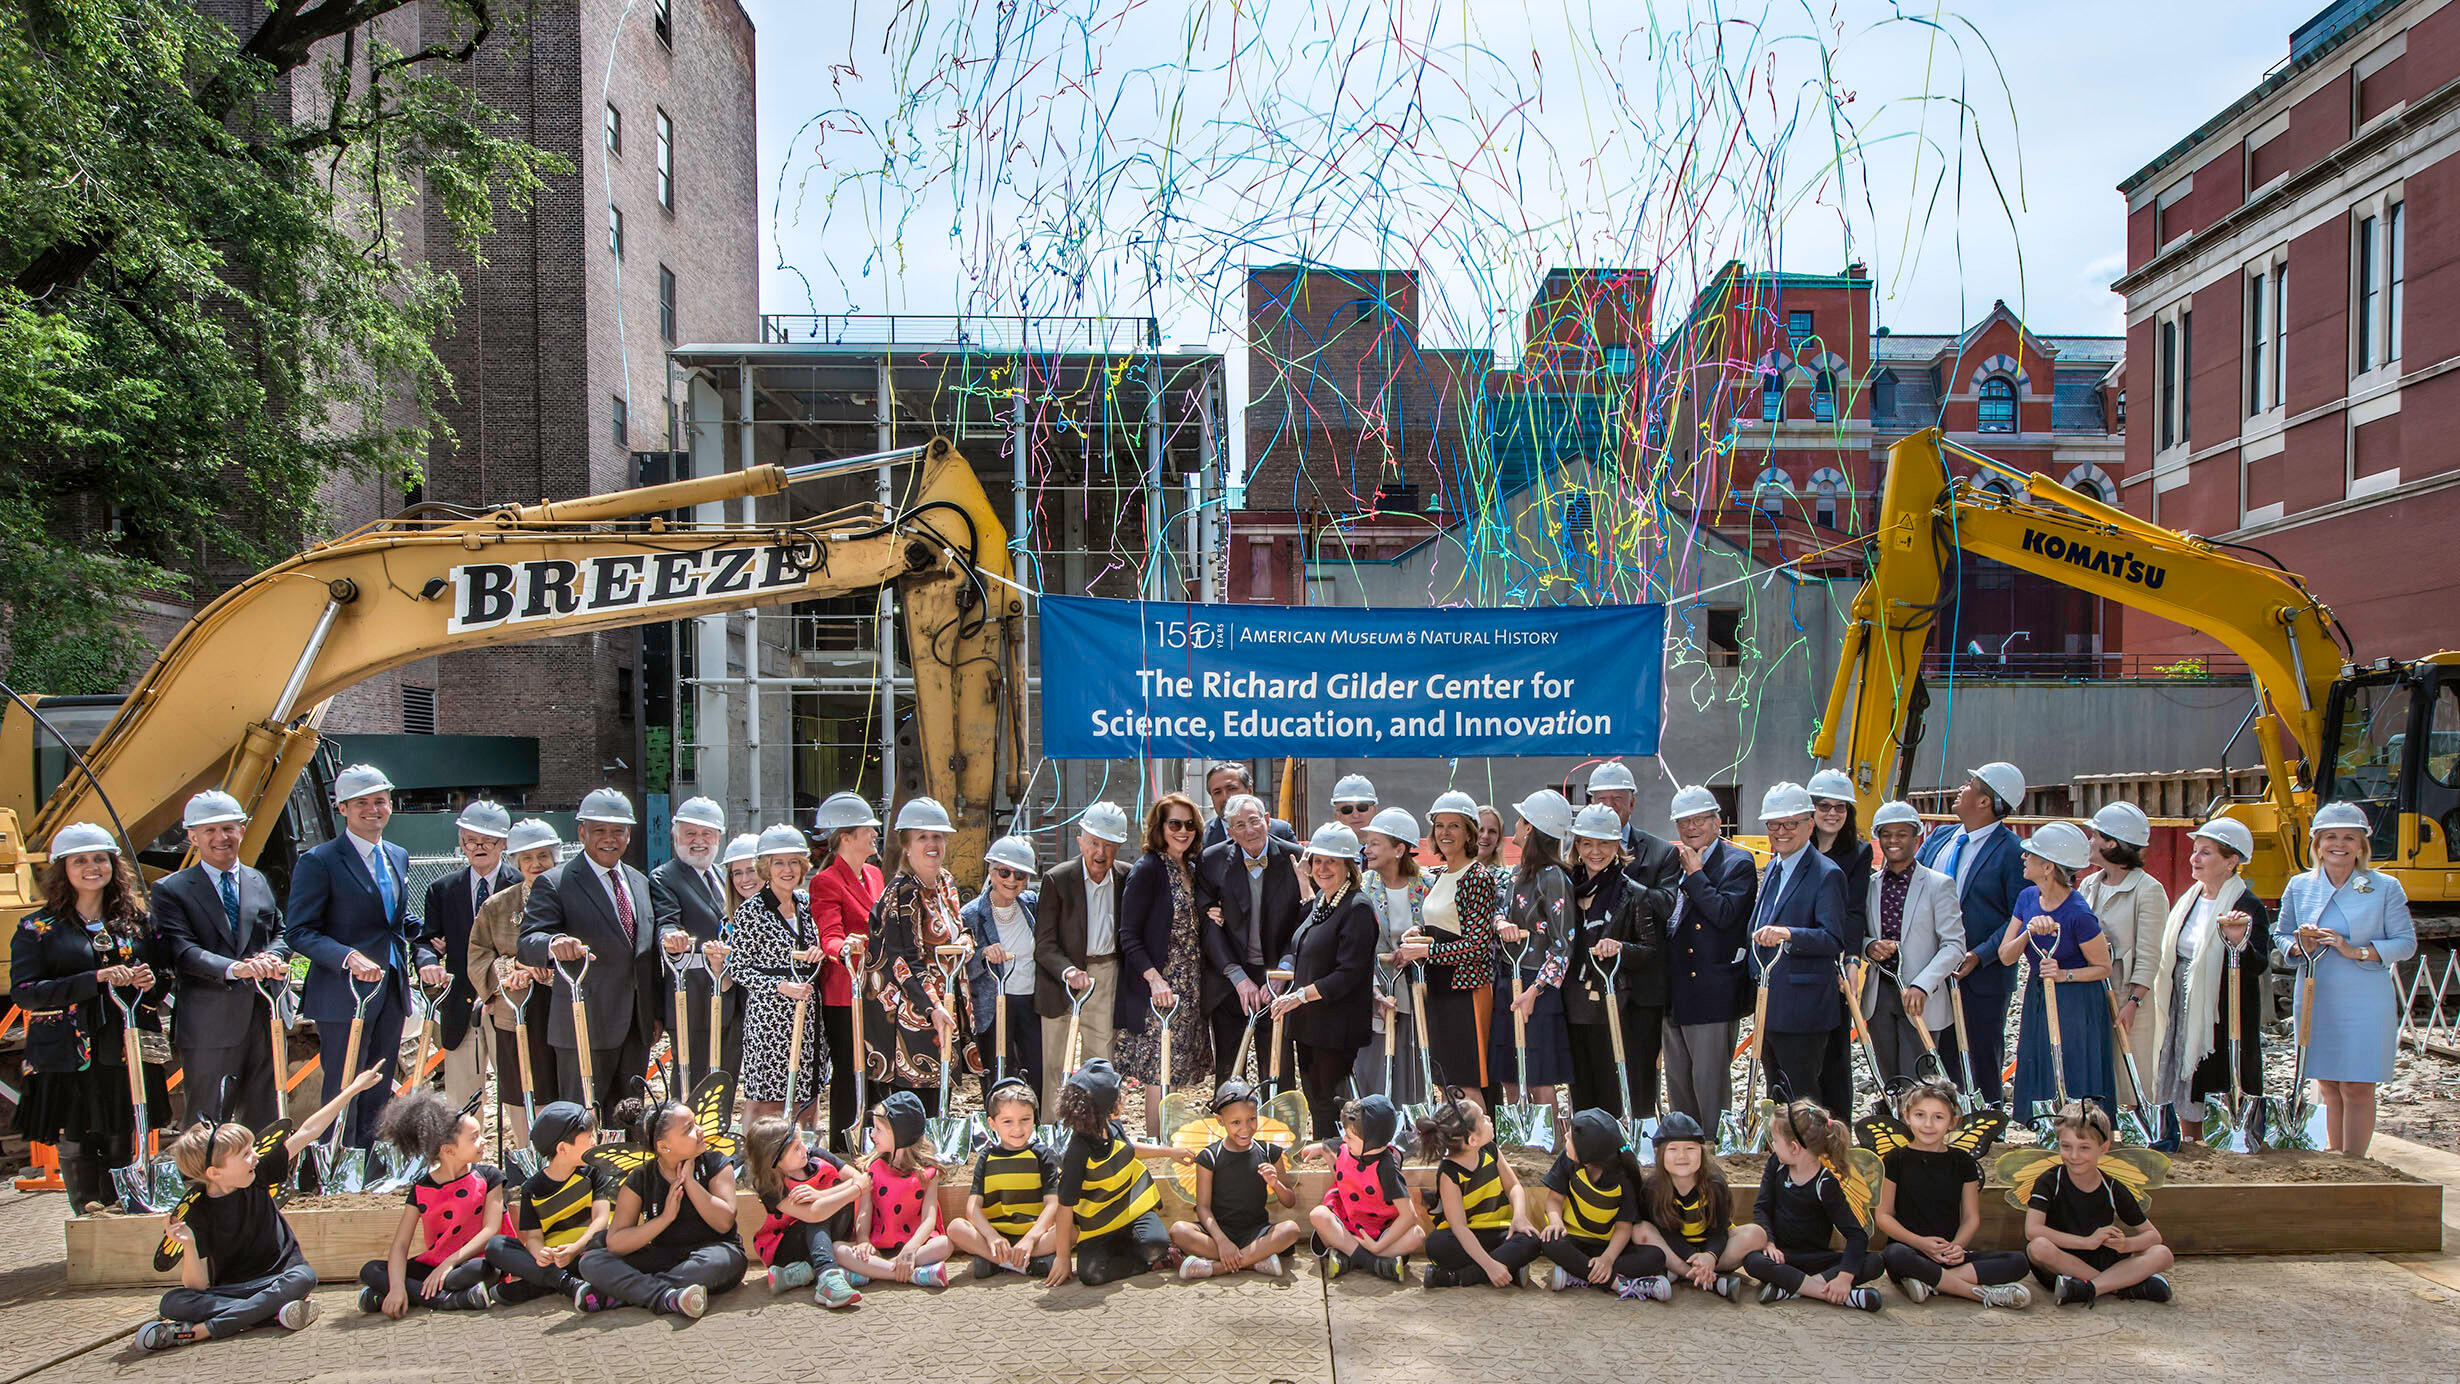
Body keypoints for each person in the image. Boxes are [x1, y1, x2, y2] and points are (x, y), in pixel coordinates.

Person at [135, 1065, 384, 1350]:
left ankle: (204, 1330)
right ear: (215, 1173)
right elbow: (197, 1286)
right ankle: (270, 1315)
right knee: (173, 1301)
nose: (255, 1157)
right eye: (245, 1155)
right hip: (232, 1290)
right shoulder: (197, 1212)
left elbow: (308, 1131)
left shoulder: (260, 1174)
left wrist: (353, 1089)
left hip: (279, 1278)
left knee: (303, 1277)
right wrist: (189, 1245)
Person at [13, 822, 168, 1210]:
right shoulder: (37, 928)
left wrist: (151, 982)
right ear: (62, 869)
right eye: (80, 860)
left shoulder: (137, 922)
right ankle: (87, 1218)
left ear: (114, 865)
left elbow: (166, 975)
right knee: (78, 1137)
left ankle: (127, 1214)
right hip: (68, 1053)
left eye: (100, 858)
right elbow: (26, 993)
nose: (92, 867)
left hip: (124, 1045)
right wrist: (94, 978)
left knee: (123, 1134)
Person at [286, 763, 442, 1146]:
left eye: (380, 801)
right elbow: (299, 931)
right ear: (342, 809)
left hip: (389, 990)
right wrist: (347, 957)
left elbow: (394, 920)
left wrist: (428, 944)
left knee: (378, 1081)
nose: (373, 810)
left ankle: (371, 1161)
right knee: (344, 1084)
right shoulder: (319, 861)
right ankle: (338, 1158)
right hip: (343, 994)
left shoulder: (397, 855)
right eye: (362, 803)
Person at [2280, 801, 2418, 1157]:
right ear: (2317, 843)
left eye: (2348, 837)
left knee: (2357, 1084)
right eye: (2330, 836)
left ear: (2362, 845)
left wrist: (2354, 950)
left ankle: (2355, 1162)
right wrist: (2299, 945)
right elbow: (2279, 937)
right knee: (2327, 1081)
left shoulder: (2385, 887)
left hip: (2365, 996)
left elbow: (2405, 944)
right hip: (2316, 992)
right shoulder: (2298, 886)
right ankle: (2334, 1156)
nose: (2338, 844)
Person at [517, 788, 659, 1121]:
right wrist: (554, 945)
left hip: (635, 1029)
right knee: (582, 1124)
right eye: (599, 831)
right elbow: (528, 941)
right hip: (585, 1025)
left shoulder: (639, 882)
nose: (609, 839)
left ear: (629, 834)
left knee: (629, 1123)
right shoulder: (556, 882)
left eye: (618, 831)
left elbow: (644, 954)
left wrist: (654, 1013)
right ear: (581, 833)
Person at [151, 791, 291, 1128]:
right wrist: (235, 968)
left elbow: (282, 932)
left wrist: (272, 956)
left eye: (228, 828)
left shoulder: (257, 880)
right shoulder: (172, 889)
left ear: (242, 830)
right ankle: (205, 1181)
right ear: (192, 837)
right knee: (207, 1120)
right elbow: (182, 951)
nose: (220, 838)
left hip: (265, 1013)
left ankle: (262, 1181)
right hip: (210, 1024)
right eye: (209, 831)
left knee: (266, 1117)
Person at [2149, 818, 2272, 1145]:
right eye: (2194, 851)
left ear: (2231, 862)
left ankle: (2221, 1138)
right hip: (2182, 999)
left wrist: (2238, 942)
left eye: (2206, 853)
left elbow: (2259, 964)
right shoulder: (2189, 899)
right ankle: (2186, 1139)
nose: (2194, 858)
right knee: (2179, 1070)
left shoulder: (2246, 905)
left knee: (2213, 1073)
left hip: (2221, 1009)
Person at [575, 1092, 747, 1318]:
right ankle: (669, 1297)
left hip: (712, 1252)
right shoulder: (641, 1177)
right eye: (688, 1129)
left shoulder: (715, 1162)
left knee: (725, 1261)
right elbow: (616, 1242)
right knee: (592, 1260)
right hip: (662, 1256)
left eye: (695, 1123)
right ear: (664, 1146)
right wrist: (665, 1217)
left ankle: (630, 1293)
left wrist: (691, 1183)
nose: (700, 1131)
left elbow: (724, 1222)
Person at [864, 797, 982, 1117]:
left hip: (943, 1002)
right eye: (922, 837)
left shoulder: (945, 883)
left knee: (939, 1089)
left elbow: (962, 928)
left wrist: (965, 942)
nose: (932, 844)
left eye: (937, 836)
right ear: (906, 845)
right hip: (909, 1014)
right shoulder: (903, 892)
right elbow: (903, 959)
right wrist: (931, 1007)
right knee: (913, 1103)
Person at [1919, 762, 2029, 1105]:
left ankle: (1985, 1126)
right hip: (1930, 969)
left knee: (1979, 1056)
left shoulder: (2013, 852)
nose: (1960, 788)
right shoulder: (1938, 839)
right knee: (1931, 1054)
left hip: (1981, 977)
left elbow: (2020, 914)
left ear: (1985, 801)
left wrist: (1980, 954)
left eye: (1969, 784)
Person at [1873, 1077, 2032, 1307]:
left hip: (1950, 1255)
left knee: (2018, 1261)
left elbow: (1970, 1217)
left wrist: (1957, 1246)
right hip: (1911, 1252)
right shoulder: (1895, 1159)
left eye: (1938, 1117)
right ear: (1906, 1116)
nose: (1928, 1124)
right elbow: (1884, 1216)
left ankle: (1931, 1282)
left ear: (1952, 1121)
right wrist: (1921, 1243)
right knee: (1894, 1255)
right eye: (1920, 1115)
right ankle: (1978, 1293)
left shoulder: (1962, 1161)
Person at [1999, 822, 2116, 1121]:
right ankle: (2043, 1126)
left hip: (2076, 1001)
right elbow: (2006, 956)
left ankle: (2078, 1125)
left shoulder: (2078, 914)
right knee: (2040, 1059)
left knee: (2072, 1062)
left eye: (2031, 855)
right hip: (2040, 995)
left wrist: (2065, 974)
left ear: (2048, 867)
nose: (2023, 858)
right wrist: (2029, 931)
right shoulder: (2027, 898)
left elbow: (2103, 968)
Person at [1268, 824, 1378, 1139]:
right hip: (1309, 1023)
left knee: (1331, 1101)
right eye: (1318, 861)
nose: (1323, 868)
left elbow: (1348, 974)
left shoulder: (1357, 908)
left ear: (1349, 867)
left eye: (1332, 861)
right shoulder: (1322, 903)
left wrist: (1299, 996)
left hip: (1336, 1025)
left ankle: (1337, 1162)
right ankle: (1324, 1156)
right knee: (1317, 1100)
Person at [1750, 783, 1854, 1110]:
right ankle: (1785, 1155)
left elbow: (1833, 938)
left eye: (1790, 824)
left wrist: (1788, 934)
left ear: (1810, 825)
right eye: (1774, 825)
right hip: (1771, 1000)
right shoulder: (1774, 868)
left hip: (1803, 1007)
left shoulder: (1826, 874)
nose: (1781, 832)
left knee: (1803, 1096)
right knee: (1777, 1092)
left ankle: (1811, 1156)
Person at [1660, 787, 1757, 1131]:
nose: (1691, 827)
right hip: (1675, 989)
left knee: (1709, 1083)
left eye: (1700, 819)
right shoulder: (1675, 862)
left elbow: (1725, 914)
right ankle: (1685, 1145)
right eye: (1684, 821)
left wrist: (1698, 875)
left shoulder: (1737, 863)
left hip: (1713, 991)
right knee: (1678, 1082)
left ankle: (1715, 1150)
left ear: (1718, 822)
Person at [359, 1089, 505, 1315]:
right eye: (474, 1138)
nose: (483, 1141)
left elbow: (490, 1229)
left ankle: (385, 1296)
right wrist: (397, 1288)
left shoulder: (489, 1177)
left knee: (482, 1270)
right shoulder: (421, 1189)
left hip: (469, 1261)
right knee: (371, 1270)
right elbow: (399, 1246)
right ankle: (449, 1300)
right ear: (448, 1150)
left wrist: (448, 1264)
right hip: (432, 1264)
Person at [1048, 1058, 1193, 1286]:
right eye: (1119, 1096)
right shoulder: (1078, 1150)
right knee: (1091, 1275)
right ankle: (1145, 1261)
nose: (1123, 1099)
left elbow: (1128, 1149)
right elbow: (1065, 1206)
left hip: (1132, 1210)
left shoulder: (1111, 1125)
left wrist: (1169, 1151)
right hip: (1097, 1226)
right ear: (1106, 1106)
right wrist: (1063, 1257)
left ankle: (1154, 1255)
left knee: (1155, 1246)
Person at [1117, 792, 1214, 1130]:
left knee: (1175, 1070)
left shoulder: (1192, 867)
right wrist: (1155, 979)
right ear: (1159, 827)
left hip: (1190, 985)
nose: (1183, 831)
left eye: (1189, 824)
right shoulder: (1148, 869)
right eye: (1175, 824)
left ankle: (1171, 1141)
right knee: (1158, 1071)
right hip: (1159, 988)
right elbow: (1129, 935)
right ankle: (1158, 1145)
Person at [1397, 791, 1503, 1100]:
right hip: (1441, 987)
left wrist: (1426, 951)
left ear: (1470, 832)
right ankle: (1459, 1146)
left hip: (1466, 992)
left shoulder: (1477, 877)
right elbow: (1444, 924)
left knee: (1466, 1081)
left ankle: (1483, 1147)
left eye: (1454, 825)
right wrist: (1419, 931)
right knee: (1447, 1082)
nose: (1445, 833)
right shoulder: (1443, 874)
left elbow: (1478, 945)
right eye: (1439, 825)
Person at [1198, 793, 1305, 1086]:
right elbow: (1207, 925)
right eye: (1239, 825)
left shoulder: (1295, 858)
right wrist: (1237, 977)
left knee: (1278, 1066)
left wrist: (1281, 974)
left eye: (1254, 821)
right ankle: (1233, 1127)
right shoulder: (1212, 861)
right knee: (1231, 1070)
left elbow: (1304, 922)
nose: (1249, 830)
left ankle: (1279, 1126)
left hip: (1279, 972)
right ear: (1230, 832)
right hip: (1232, 976)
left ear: (1267, 821)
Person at [467, 818, 564, 1143]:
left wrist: (553, 970)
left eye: (543, 856)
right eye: (527, 858)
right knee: (519, 1080)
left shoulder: (571, 895)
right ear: (516, 862)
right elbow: (478, 954)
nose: (536, 864)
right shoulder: (498, 906)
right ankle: (527, 1148)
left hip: (562, 1007)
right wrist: (512, 970)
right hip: (516, 1010)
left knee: (559, 1079)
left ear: (555, 858)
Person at [2024, 1101, 2174, 1306]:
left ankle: (2087, 1289)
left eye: (2084, 1148)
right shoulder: (2049, 1181)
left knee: (2162, 1254)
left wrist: (2126, 1245)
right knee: (2038, 1247)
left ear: (2103, 1148)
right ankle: (2124, 1287)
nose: (2074, 1156)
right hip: (2061, 1262)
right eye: (2066, 1147)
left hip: (2103, 1259)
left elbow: (2153, 1236)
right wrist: (2086, 1242)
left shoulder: (2112, 1187)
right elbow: (2032, 1230)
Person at [415, 800, 513, 1111]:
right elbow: (426, 940)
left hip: (509, 1007)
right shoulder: (441, 890)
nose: (478, 847)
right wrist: (428, 962)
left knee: (519, 1098)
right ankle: (462, 1160)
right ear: (461, 843)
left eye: (488, 841)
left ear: (504, 843)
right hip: (459, 1005)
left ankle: (524, 1158)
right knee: (461, 1103)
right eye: (471, 840)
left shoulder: (523, 886)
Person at [1034, 801, 1131, 1114]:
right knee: (1054, 1059)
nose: (1100, 853)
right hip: (1060, 979)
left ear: (1118, 846)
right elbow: (1044, 944)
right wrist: (1068, 971)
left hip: (1106, 973)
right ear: (1081, 841)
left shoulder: (1128, 878)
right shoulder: (1057, 880)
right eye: (1093, 843)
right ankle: (1052, 1130)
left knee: (1100, 1060)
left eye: (1108, 845)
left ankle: (1097, 1126)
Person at [1858, 801, 1963, 1088]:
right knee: (1889, 1080)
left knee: (1919, 1083)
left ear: (1916, 838)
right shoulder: (1870, 886)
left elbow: (1954, 945)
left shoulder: (1938, 885)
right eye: (1887, 834)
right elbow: (1858, 934)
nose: (1894, 841)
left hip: (1921, 998)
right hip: (1880, 996)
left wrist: (1922, 985)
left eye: (1902, 834)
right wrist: (1869, 947)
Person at [1561, 804, 1656, 1119]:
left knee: (1611, 1090)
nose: (1595, 851)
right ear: (1577, 846)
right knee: (1581, 1091)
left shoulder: (1634, 894)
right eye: (1587, 843)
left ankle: (1615, 1151)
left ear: (1617, 846)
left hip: (1612, 1005)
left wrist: (1620, 948)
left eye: (1603, 843)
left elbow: (1650, 951)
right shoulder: (1565, 889)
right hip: (1571, 1002)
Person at [1742, 1099, 1881, 1311]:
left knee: (1875, 1262)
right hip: (1782, 1256)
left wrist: (1844, 1277)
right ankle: (1827, 1293)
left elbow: (1856, 1235)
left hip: (1816, 1259)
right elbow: (1762, 1207)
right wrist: (1768, 1242)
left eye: (1776, 1141)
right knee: (1752, 1260)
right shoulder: (1776, 1165)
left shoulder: (1825, 1183)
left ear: (1794, 1147)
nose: (1773, 1146)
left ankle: (1792, 1288)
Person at [735, 824, 830, 1127]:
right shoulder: (751, 911)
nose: (787, 870)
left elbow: (818, 948)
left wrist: (818, 953)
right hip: (770, 1018)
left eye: (793, 862)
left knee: (808, 1094)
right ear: (766, 868)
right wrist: (779, 986)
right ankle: (755, 1164)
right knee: (765, 1100)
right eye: (778, 863)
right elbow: (738, 968)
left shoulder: (806, 905)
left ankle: (802, 1159)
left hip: (808, 1014)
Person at [1490, 790, 1577, 1114]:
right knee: (1510, 1072)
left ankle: (1549, 1141)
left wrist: (1535, 990)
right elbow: (1498, 911)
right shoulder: (1517, 873)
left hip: (1536, 986)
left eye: (1521, 819)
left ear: (1530, 829)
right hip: (1507, 977)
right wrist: (1501, 924)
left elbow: (1564, 943)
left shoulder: (1553, 878)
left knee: (1540, 1075)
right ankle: (1521, 1140)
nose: (1516, 824)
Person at [2078, 802, 2168, 1111]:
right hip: (2090, 990)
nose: (2089, 841)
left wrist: (2135, 1001)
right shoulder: (2089, 885)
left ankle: (2133, 1129)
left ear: (2111, 842)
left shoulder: (2148, 890)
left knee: (2130, 1070)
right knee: (2092, 1063)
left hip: (2127, 996)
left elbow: (2149, 952)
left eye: (2094, 835)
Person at [807, 792, 883, 1150]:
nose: (874, 836)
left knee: (875, 1067)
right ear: (847, 837)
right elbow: (829, 935)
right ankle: (842, 1143)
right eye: (868, 830)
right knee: (848, 1069)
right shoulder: (826, 882)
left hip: (877, 989)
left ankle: (874, 1137)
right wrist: (844, 949)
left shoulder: (874, 875)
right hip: (844, 992)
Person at [481, 1102, 613, 1308]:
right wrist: (539, 1253)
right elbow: (533, 1237)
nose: (594, 1142)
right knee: (496, 1246)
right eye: (588, 1138)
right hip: (555, 1258)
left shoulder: (595, 1172)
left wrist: (575, 1248)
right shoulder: (532, 1189)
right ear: (563, 1148)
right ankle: (566, 1283)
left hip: (588, 1250)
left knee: (607, 1244)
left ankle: (543, 1284)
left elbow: (602, 1220)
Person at [1170, 1081, 1305, 1279]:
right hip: (1217, 1234)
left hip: (1257, 1232)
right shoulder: (1209, 1157)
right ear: (1220, 1120)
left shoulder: (1269, 1152)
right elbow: (1203, 1208)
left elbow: (1290, 1201)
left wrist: (1275, 1184)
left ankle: (1216, 1268)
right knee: (1178, 1231)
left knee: (1291, 1230)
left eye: (1252, 1119)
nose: (1245, 1129)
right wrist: (1222, 1241)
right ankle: (1253, 1261)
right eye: (1236, 1122)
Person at [650, 796, 738, 1094]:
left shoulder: (720, 874)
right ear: (675, 837)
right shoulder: (665, 878)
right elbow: (666, 921)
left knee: (724, 1074)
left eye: (707, 834)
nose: (699, 841)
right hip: (692, 994)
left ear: (718, 838)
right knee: (693, 1080)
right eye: (690, 833)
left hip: (727, 992)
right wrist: (672, 938)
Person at [1414, 1093, 1543, 1289]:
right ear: (1473, 1140)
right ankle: (1506, 1270)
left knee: (1531, 1241)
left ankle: (1456, 1277)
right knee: (1436, 1245)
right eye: (1483, 1118)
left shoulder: (1490, 1149)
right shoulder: (1449, 1173)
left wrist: (1519, 1216)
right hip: (1466, 1236)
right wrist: (1490, 1265)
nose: (1489, 1119)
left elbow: (1513, 1186)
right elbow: (1460, 1228)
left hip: (1499, 1231)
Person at [1538, 1107, 1666, 1298]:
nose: (1565, 1135)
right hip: (1574, 1242)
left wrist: (1607, 1258)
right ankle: (1617, 1283)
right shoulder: (1567, 1160)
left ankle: (1579, 1275)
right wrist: (1555, 1222)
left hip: (1607, 1248)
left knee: (1656, 1257)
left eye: (1571, 1137)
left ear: (1587, 1153)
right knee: (1550, 1242)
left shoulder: (1623, 1180)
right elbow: (1554, 1199)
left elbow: (1624, 1227)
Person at [741, 1113, 867, 1306]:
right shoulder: (769, 1185)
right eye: (796, 1149)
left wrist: (821, 1195)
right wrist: (854, 1190)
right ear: (774, 1160)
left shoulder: (816, 1156)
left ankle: (801, 1274)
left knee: (836, 1203)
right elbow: (814, 1213)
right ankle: (827, 1276)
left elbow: (858, 1178)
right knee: (819, 1215)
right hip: (787, 1247)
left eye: (802, 1143)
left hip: (825, 1234)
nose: (804, 1150)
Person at [835, 1091, 955, 1288]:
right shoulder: (872, 1168)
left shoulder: (928, 1174)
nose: (872, 1134)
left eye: (878, 1129)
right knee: (838, 1249)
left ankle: (874, 1271)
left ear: (901, 1135)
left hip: (916, 1246)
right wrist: (863, 1240)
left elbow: (929, 1219)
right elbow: (865, 1210)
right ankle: (912, 1275)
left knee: (944, 1245)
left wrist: (910, 1248)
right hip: (878, 1245)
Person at [1354, 805, 1430, 1100]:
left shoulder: (1427, 888)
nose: (1367, 849)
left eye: (1375, 843)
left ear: (1399, 849)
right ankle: (1373, 1117)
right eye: (1367, 842)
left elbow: (1436, 930)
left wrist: (1417, 942)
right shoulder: (1362, 887)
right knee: (1373, 1057)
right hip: (1375, 987)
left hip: (1414, 988)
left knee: (1411, 1054)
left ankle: (1409, 1118)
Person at [949, 1078, 1062, 1279]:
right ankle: (1023, 1263)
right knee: (956, 1228)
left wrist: (1030, 1238)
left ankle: (999, 1262)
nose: (1017, 1129)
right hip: (996, 1236)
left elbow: (1052, 1204)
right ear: (992, 1123)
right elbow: (972, 1208)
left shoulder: (1043, 1155)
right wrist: (991, 1236)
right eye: (1007, 1121)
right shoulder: (986, 1157)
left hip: (1035, 1236)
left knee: (1069, 1229)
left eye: (1025, 1120)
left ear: (1034, 1119)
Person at [1634, 1112, 1753, 1299]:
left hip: (1711, 1249)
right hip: (1674, 1250)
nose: (1682, 1156)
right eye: (1673, 1149)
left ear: (1702, 1151)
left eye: (1690, 1148)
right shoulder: (1653, 1188)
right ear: (1658, 1153)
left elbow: (1719, 1230)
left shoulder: (1715, 1184)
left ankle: (1685, 1273)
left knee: (1755, 1234)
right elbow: (1666, 1234)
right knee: (1640, 1230)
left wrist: (1710, 1256)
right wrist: (1694, 1258)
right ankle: (1706, 1279)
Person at [962, 835, 1044, 1101]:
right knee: (998, 1078)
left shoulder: (1030, 904)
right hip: (994, 1005)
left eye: (1020, 875)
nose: (1012, 881)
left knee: (1035, 1074)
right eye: (1004, 872)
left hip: (1031, 1003)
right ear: (991, 870)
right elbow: (961, 965)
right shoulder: (971, 914)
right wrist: (983, 954)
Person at [1306, 1094, 1419, 1281]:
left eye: (1350, 1137)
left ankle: (1350, 1257)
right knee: (1318, 1215)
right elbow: (1332, 1147)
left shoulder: (1387, 1168)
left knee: (1417, 1236)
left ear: (1371, 1140)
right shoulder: (1349, 1148)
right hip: (1349, 1223)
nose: (1344, 1140)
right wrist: (1319, 1147)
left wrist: (1378, 1245)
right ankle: (1376, 1263)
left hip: (1381, 1231)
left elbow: (1409, 1215)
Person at [1807, 769, 1874, 939]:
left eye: (1840, 807)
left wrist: (1852, 956)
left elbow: (1854, 910)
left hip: (1830, 943)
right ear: (1811, 808)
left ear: (1847, 811)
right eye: (1824, 806)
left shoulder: (1860, 853)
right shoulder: (1797, 847)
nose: (1832, 813)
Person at [1201, 761, 1295, 848]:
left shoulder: (1282, 832)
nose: (1225, 797)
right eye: (1217, 792)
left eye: (1231, 789)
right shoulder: (1201, 837)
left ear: (1249, 791)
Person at [1327, 773, 1379, 844]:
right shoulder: (1323, 852)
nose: (1356, 815)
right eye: (1347, 810)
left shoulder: (1392, 850)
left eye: (1362, 807)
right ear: (1336, 816)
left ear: (1374, 811)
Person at [1474, 805, 1508, 869]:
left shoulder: (1503, 878)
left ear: (1498, 840)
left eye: (1492, 831)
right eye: (1480, 829)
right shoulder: (1451, 872)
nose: (1485, 836)